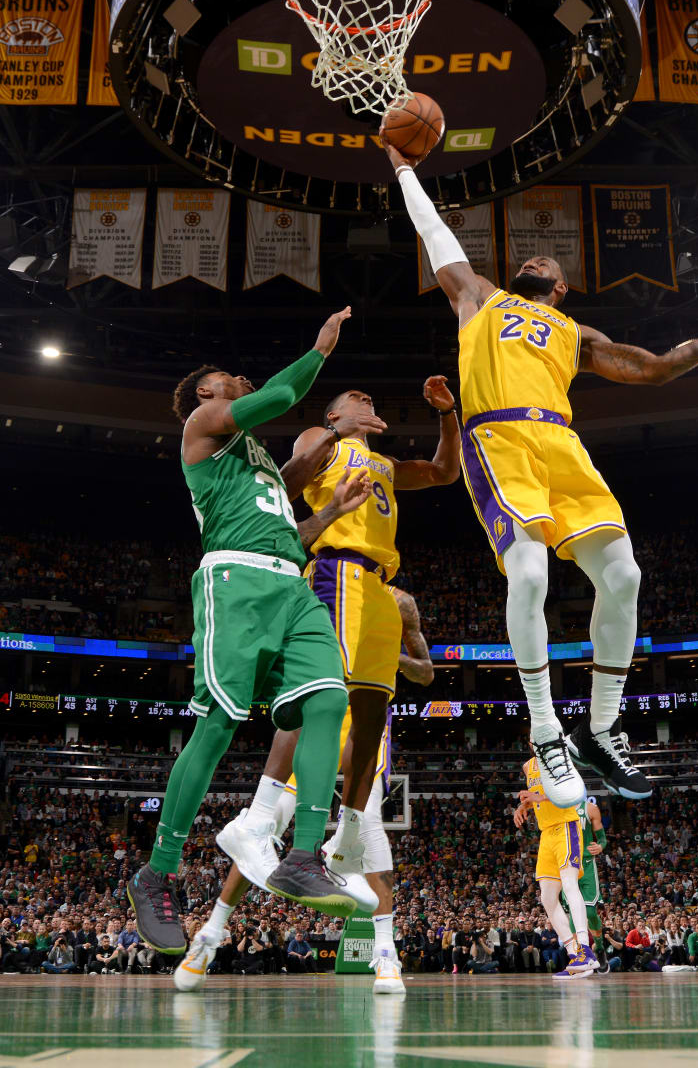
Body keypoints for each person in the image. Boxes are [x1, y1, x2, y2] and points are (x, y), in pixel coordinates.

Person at [390, 137, 698, 810]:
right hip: (499, 437)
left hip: (562, 446)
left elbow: (658, 367)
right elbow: (433, 229)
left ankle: (602, 729)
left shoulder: (578, 335)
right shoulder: (479, 298)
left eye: (549, 264)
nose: (537, 256)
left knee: (625, 576)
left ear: (559, 288)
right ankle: (546, 728)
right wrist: (403, 166)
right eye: (532, 256)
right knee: (529, 575)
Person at [182, 375, 458, 996]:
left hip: (380, 589)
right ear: (335, 411)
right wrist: (331, 438)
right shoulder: (324, 438)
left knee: (370, 715)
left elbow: (444, 472)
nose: (370, 400)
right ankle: (221, 907)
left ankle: (350, 828)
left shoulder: (384, 462)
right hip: (334, 573)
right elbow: (282, 481)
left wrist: (447, 414)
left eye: (371, 397)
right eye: (357, 397)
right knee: (316, 699)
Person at [127, 309, 370, 955]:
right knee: (219, 723)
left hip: (290, 583)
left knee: (328, 700)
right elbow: (286, 394)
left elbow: (288, 531)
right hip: (234, 583)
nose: (239, 376)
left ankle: (305, 856)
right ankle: (159, 870)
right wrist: (319, 349)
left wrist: (332, 510)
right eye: (226, 376)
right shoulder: (202, 424)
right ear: (206, 393)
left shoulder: (255, 460)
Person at [181, 576, 439, 996]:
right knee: (260, 830)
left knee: (370, 823)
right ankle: (210, 934)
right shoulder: (316, 588)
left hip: (363, 731)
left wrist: (386, 653)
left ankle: (386, 952)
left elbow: (426, 673)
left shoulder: (398, 603)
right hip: (315, 730)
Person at [514, 757, 596, 979]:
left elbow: (573, 790)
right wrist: (524, 805)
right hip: (547, 832)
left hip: (566, 826)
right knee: (547, 899)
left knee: (570, 886)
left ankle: (585, 950)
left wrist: (538, 796)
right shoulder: (528, 766)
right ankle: (575, 956)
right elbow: (537, 796)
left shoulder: (559, 757)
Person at [561, 798, 607, 972]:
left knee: (589, 911)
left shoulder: (590, 808)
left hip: (586, 862)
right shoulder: (556, 807)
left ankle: (600, 947)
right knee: (574, 911)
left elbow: (602, 838)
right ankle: (580, 955)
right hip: (566, 862)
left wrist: (601, 846)